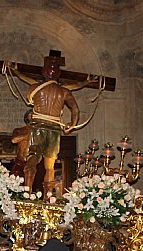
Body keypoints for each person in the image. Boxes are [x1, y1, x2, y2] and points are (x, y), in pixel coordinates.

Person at [10, 52, 95, 194]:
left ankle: (27, 191)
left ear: (44, 72)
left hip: (38, 127)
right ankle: (48, 197)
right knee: (50, 165)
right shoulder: (64, 91)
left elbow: (26, 81)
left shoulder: (35, 88)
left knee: (33, 158)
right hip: (54, 130)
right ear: (58, 74)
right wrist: (71, 126)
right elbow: (75, 110)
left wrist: (16, 71)